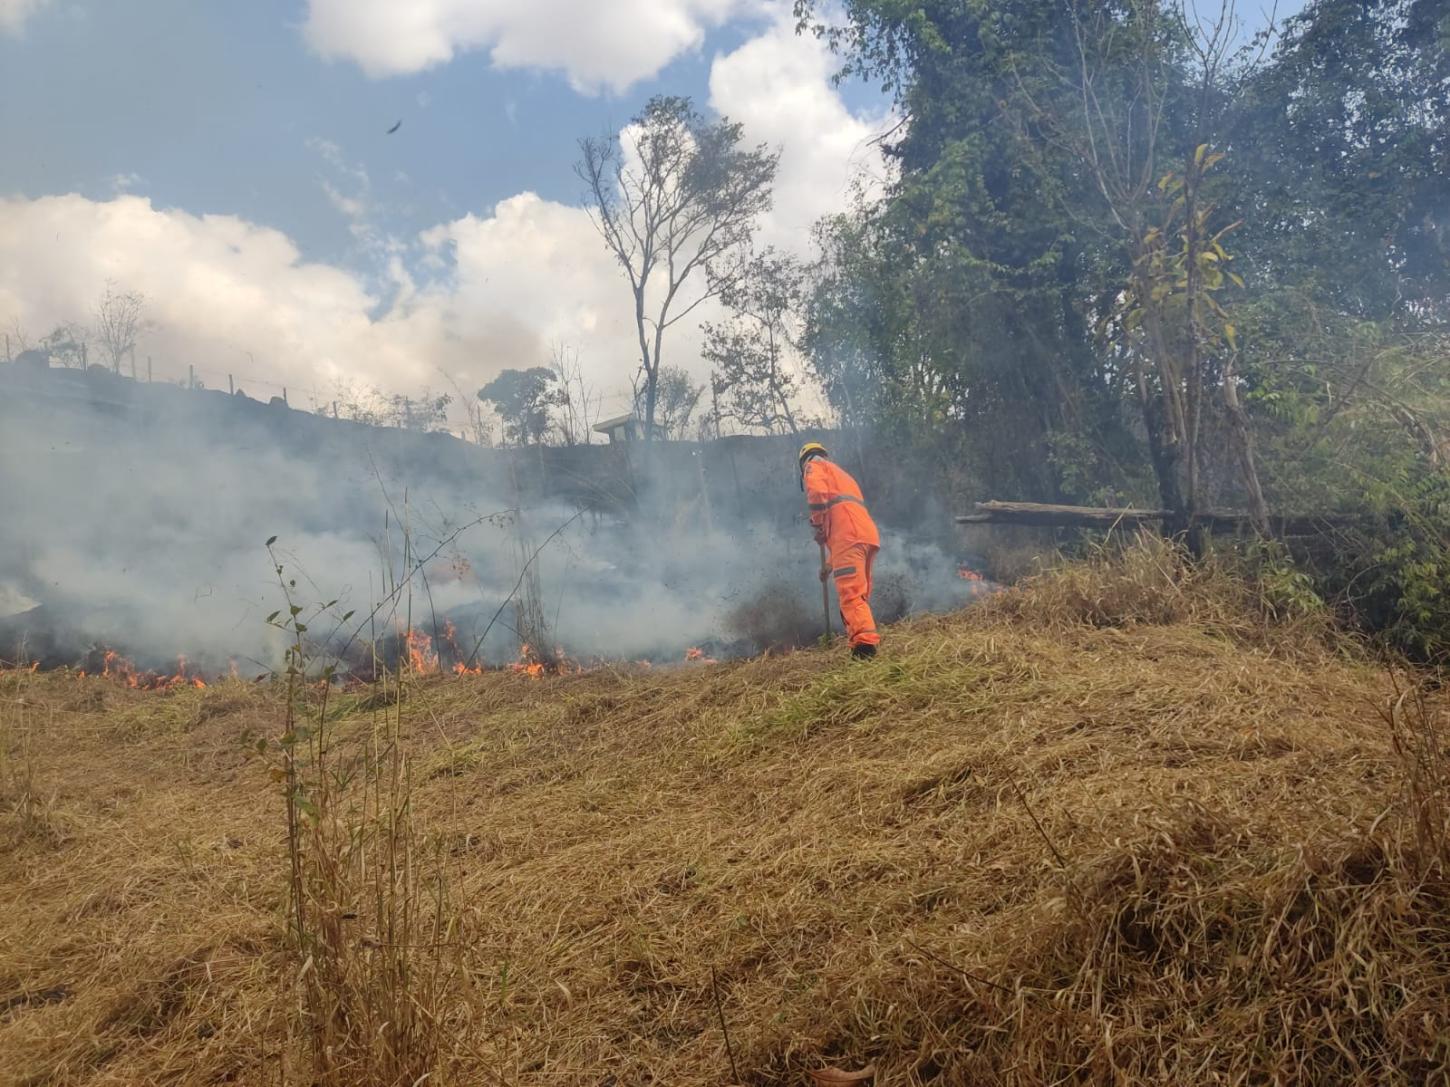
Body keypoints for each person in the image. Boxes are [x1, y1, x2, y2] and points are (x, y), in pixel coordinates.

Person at [799, 441, 881, 659]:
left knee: (851, 596)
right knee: (859, 595)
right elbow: (842, 514)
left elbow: (817, 493)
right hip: (865, 536)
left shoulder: (813, 466)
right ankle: (862, 642)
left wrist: (817, 523)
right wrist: (829, 565)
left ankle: (864, 650)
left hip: (849, 537)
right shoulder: (842, 475)